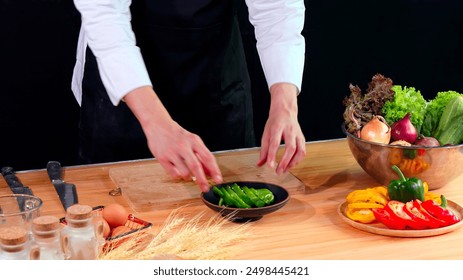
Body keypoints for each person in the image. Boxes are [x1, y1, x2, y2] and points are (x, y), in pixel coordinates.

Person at [71, 0, 306, 192]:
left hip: (215, 79)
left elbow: (278, 10)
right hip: (126, 91)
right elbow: (105, 19)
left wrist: (284, 105)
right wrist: (155, 122)